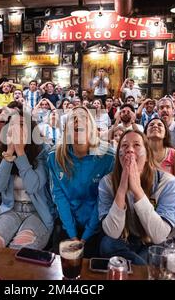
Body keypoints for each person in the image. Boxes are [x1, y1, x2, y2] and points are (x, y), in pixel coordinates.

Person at [98, 129, 175, 264]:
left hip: (153, 240)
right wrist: (122, 188)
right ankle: (141, 267)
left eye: (136, 145)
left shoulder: (167, 182)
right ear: (118, 155)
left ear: (147, 155)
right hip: (125, 238)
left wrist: (137, 190)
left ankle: (135, 266)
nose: (130, 150)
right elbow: (112, 232)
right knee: (107, 244)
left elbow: (159, 235)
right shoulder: (107, 182)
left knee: (159, 253)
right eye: (124, 145)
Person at [0, 102, 56, 250]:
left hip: (38, 211)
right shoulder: (2, 150)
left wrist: (21, 153)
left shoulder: (43, 150)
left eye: (22, 125)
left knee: (20, 249)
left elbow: (33, 186)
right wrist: (10, 153)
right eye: (12, 125)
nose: (16, 129)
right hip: (10, 209)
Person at [48, 106, 115, 257]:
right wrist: (72, 235)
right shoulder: (54, 156)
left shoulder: (108, 157)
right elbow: (59, 197)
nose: (78, 121)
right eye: (73, 119)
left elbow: (103, 201)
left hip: (96, 223)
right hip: (67, 222)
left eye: (84, 118)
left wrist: (85, 237)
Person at [145, 117, 175, 192]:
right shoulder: (139, 154)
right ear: (145, 133)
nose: (155, 126)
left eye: (159, 125)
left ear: (165, 133)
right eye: (151, 125)